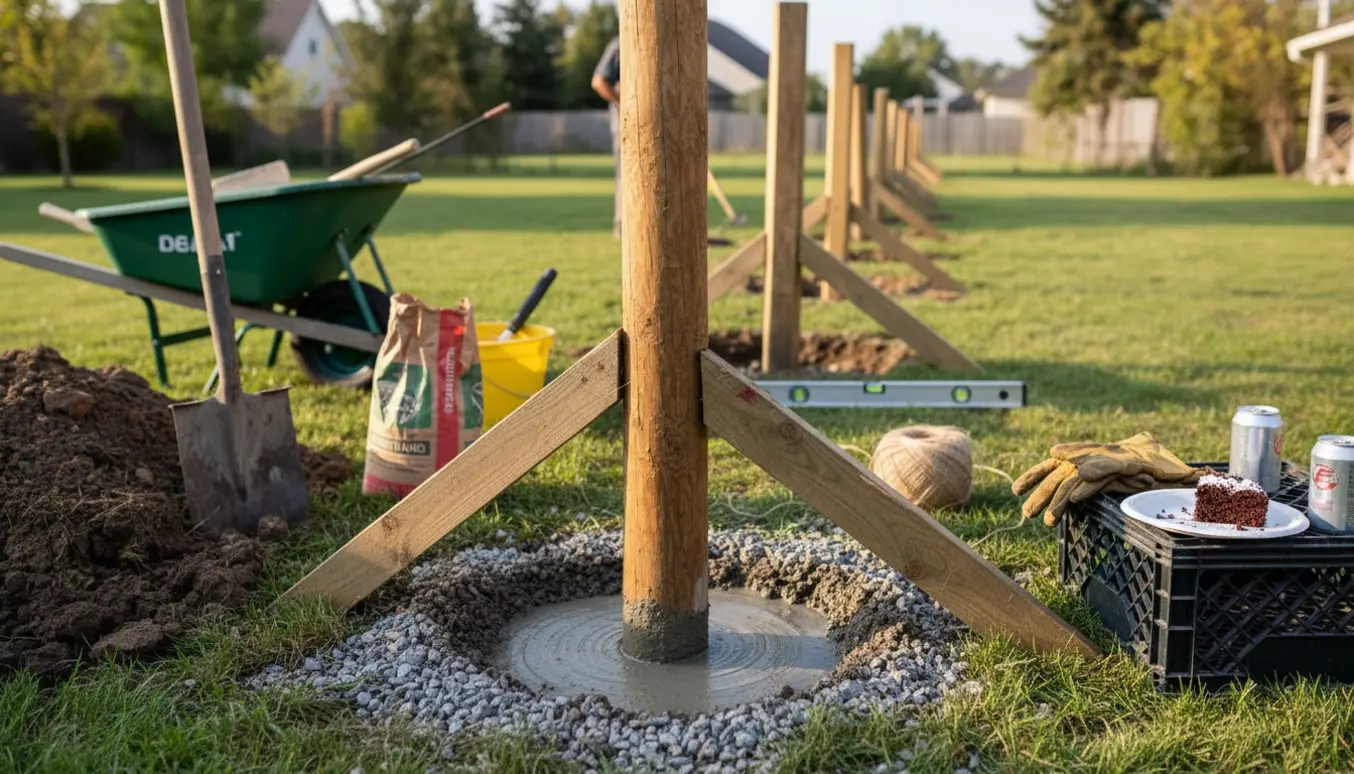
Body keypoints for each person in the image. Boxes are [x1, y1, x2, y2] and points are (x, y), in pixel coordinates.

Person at [591, 37, 622, 239]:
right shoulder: (620, 44)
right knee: (627, 176)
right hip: (627, 128)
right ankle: (622, 226)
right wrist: (625, 103)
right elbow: (599, 81)